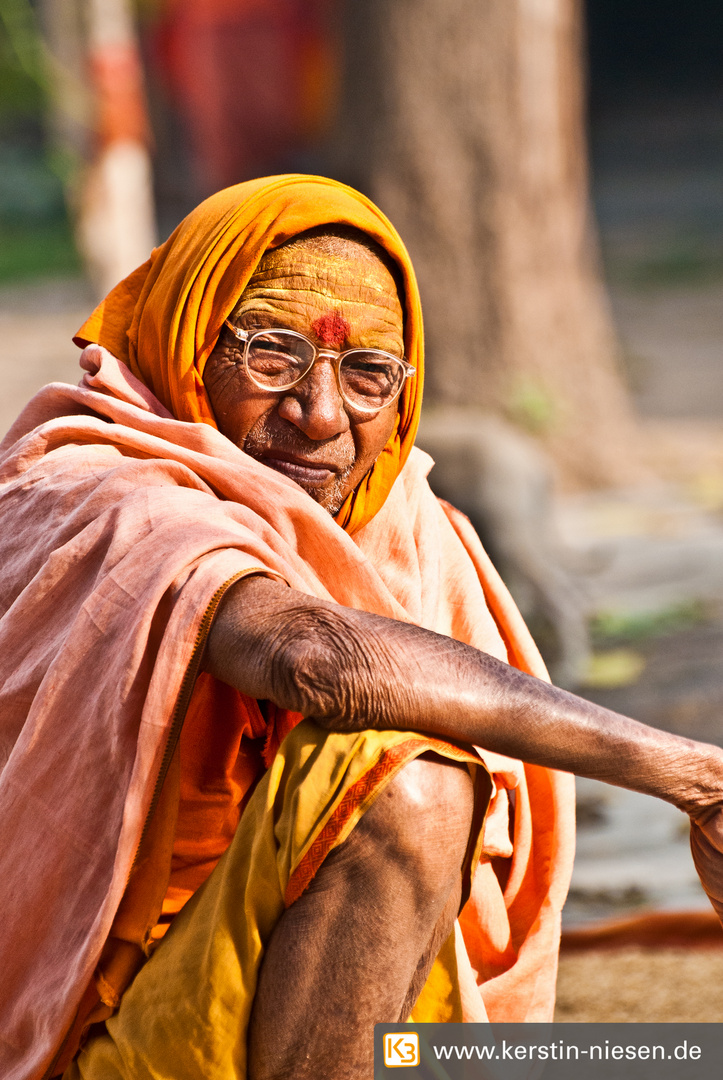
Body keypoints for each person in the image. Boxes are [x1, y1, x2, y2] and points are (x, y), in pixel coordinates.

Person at [1, 175, 722, 1080]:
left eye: (368, 373)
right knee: (405, 781)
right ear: (186, 343)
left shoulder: (410, 523)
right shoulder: (94, 488)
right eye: (272, 357)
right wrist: (690, 775)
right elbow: (312, 657)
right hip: (90, 1033)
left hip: (320, 1022)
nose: (322, 414)